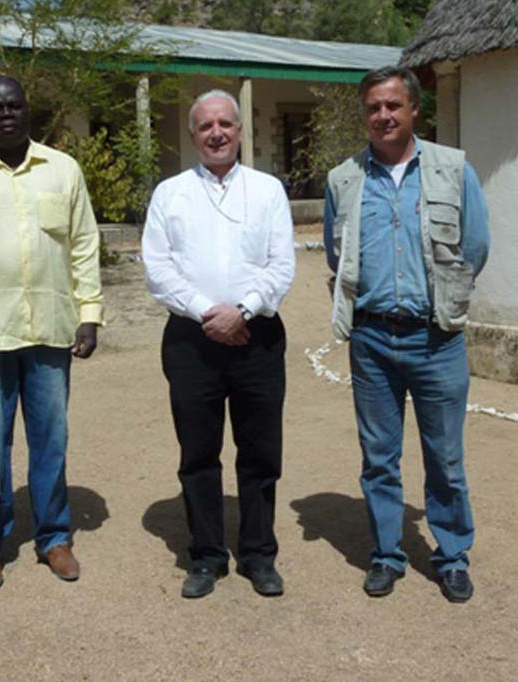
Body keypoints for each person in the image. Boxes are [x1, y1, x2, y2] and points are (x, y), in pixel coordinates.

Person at [323, 66, 490, 603]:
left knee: (445, 458)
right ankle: (387, 555)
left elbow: (476, 246)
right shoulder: (343, 180)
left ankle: (451, 556)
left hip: (436, 339)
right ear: (363, 113)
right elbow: (337, 252)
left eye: (393, 105)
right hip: (372, 341)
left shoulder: (452, 169)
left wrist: (441, 300)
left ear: (414, 109)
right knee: (378, 458)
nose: (383, 116)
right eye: (373, 107)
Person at [0, 76, 103, 591]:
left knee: (51, 439)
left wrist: (90, 312)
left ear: (28, 111)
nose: (5, 114)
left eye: (14, 105)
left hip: (51, 332)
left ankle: (54, 537)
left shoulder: (62, 170)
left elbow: (83, 245)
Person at [142, 90, 296, 599]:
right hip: (192, 341)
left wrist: (243, 310)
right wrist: (209, 312)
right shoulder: (170, 194)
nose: (216, 133)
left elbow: (281, 265)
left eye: (226, 124)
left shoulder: (269, 190)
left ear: (240, 131)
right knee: (198, 454)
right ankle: (206, 556)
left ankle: (258, 555)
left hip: (258, 339)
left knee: (259, 453)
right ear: (192, 135)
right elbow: (158, 268)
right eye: (206, 125)